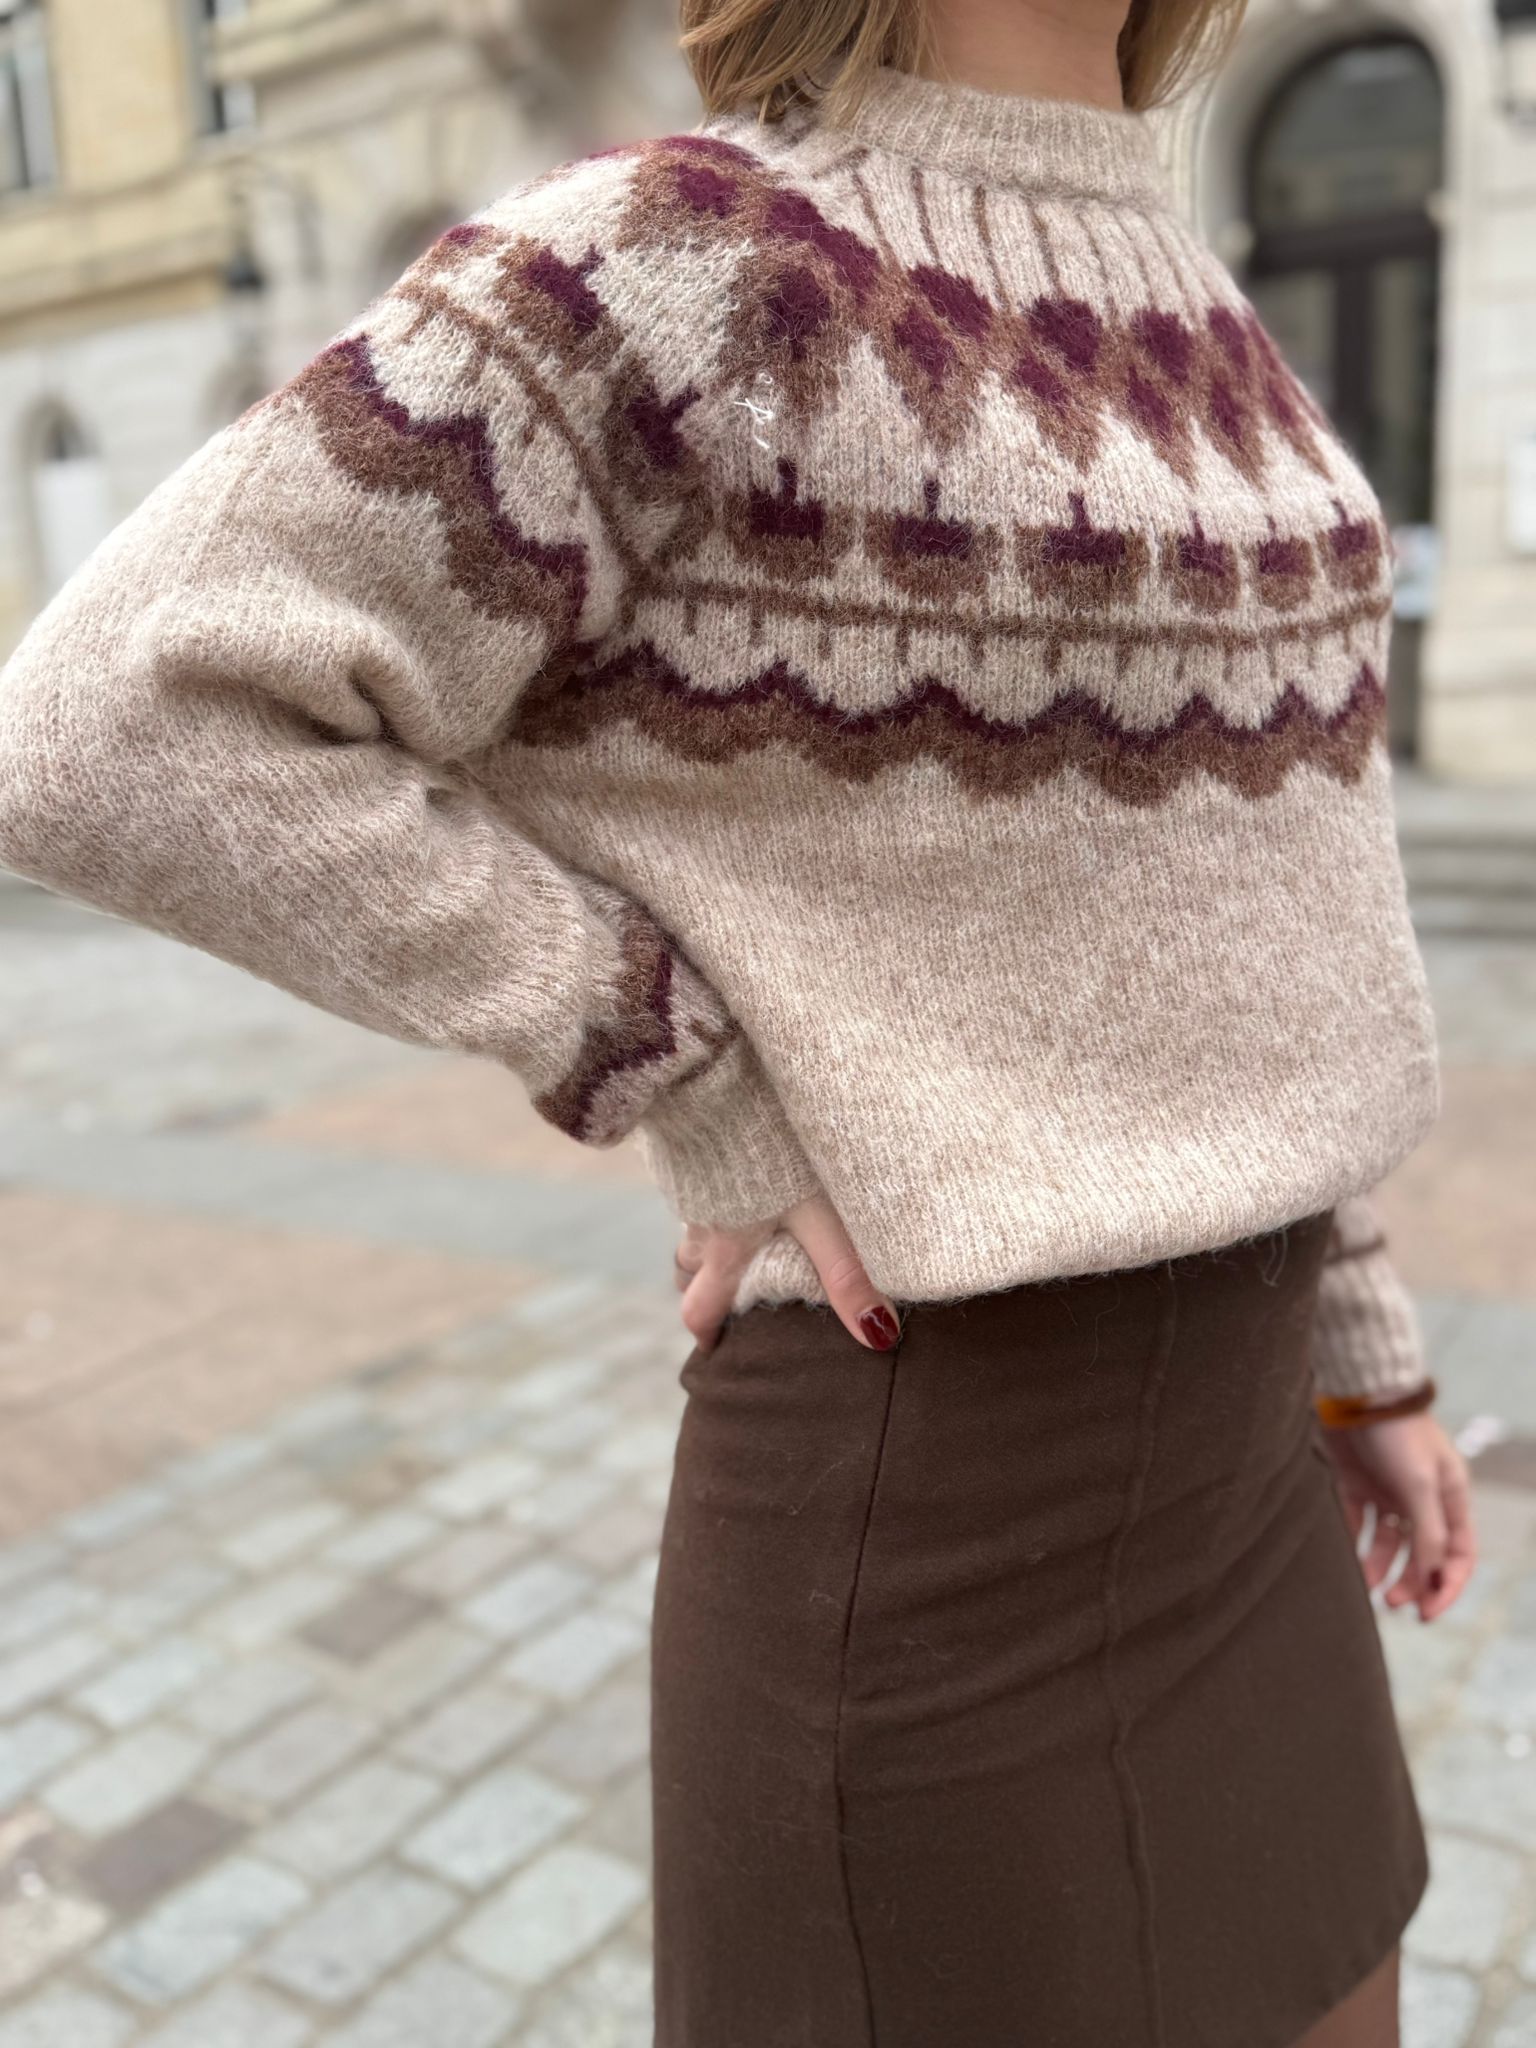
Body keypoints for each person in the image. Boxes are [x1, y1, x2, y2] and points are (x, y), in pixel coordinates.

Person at [0, 0, 1477, 2034]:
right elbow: (116, 726)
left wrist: (1361, 1339)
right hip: (933, 1528)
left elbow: (1254, 910)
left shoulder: (1206, 315)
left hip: (1257, 1499)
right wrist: (671, 1060)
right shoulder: (684, 270)